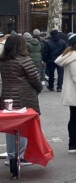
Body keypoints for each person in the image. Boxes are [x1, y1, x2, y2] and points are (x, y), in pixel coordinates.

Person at [0, 33, 43, 175]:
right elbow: (35, 79)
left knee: (10, 127)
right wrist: (39, 89)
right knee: (24, 126)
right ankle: (21, 156)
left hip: (7, 96)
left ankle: (11, 155)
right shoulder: (25, 60)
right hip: (25, 97)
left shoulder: (3, 61)